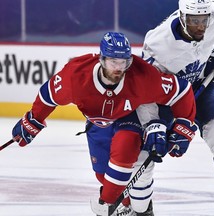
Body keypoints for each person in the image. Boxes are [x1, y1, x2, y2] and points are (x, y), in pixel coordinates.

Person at [11, 32, 197, 216]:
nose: (118, 68)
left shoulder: (141, 76)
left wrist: (183, 124)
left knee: (126, 146)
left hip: (128, 119)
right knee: (103, 175)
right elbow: (48, 94)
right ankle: (125, 205)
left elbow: (180, 91)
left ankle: (111, 205)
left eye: (123, 62)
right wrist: (33, 120)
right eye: (112, 62)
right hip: (97, 125)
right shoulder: (76, 77)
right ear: (101, 59)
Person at [135, 0, 214, 215]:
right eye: (194, 21)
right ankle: (141, 209)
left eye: (204, 20)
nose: (200, 26)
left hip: (200, 83)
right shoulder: (158, 44)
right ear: (182, 17)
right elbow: (144, 90)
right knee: (145, 153)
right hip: (167, 96)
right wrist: (152, 124)